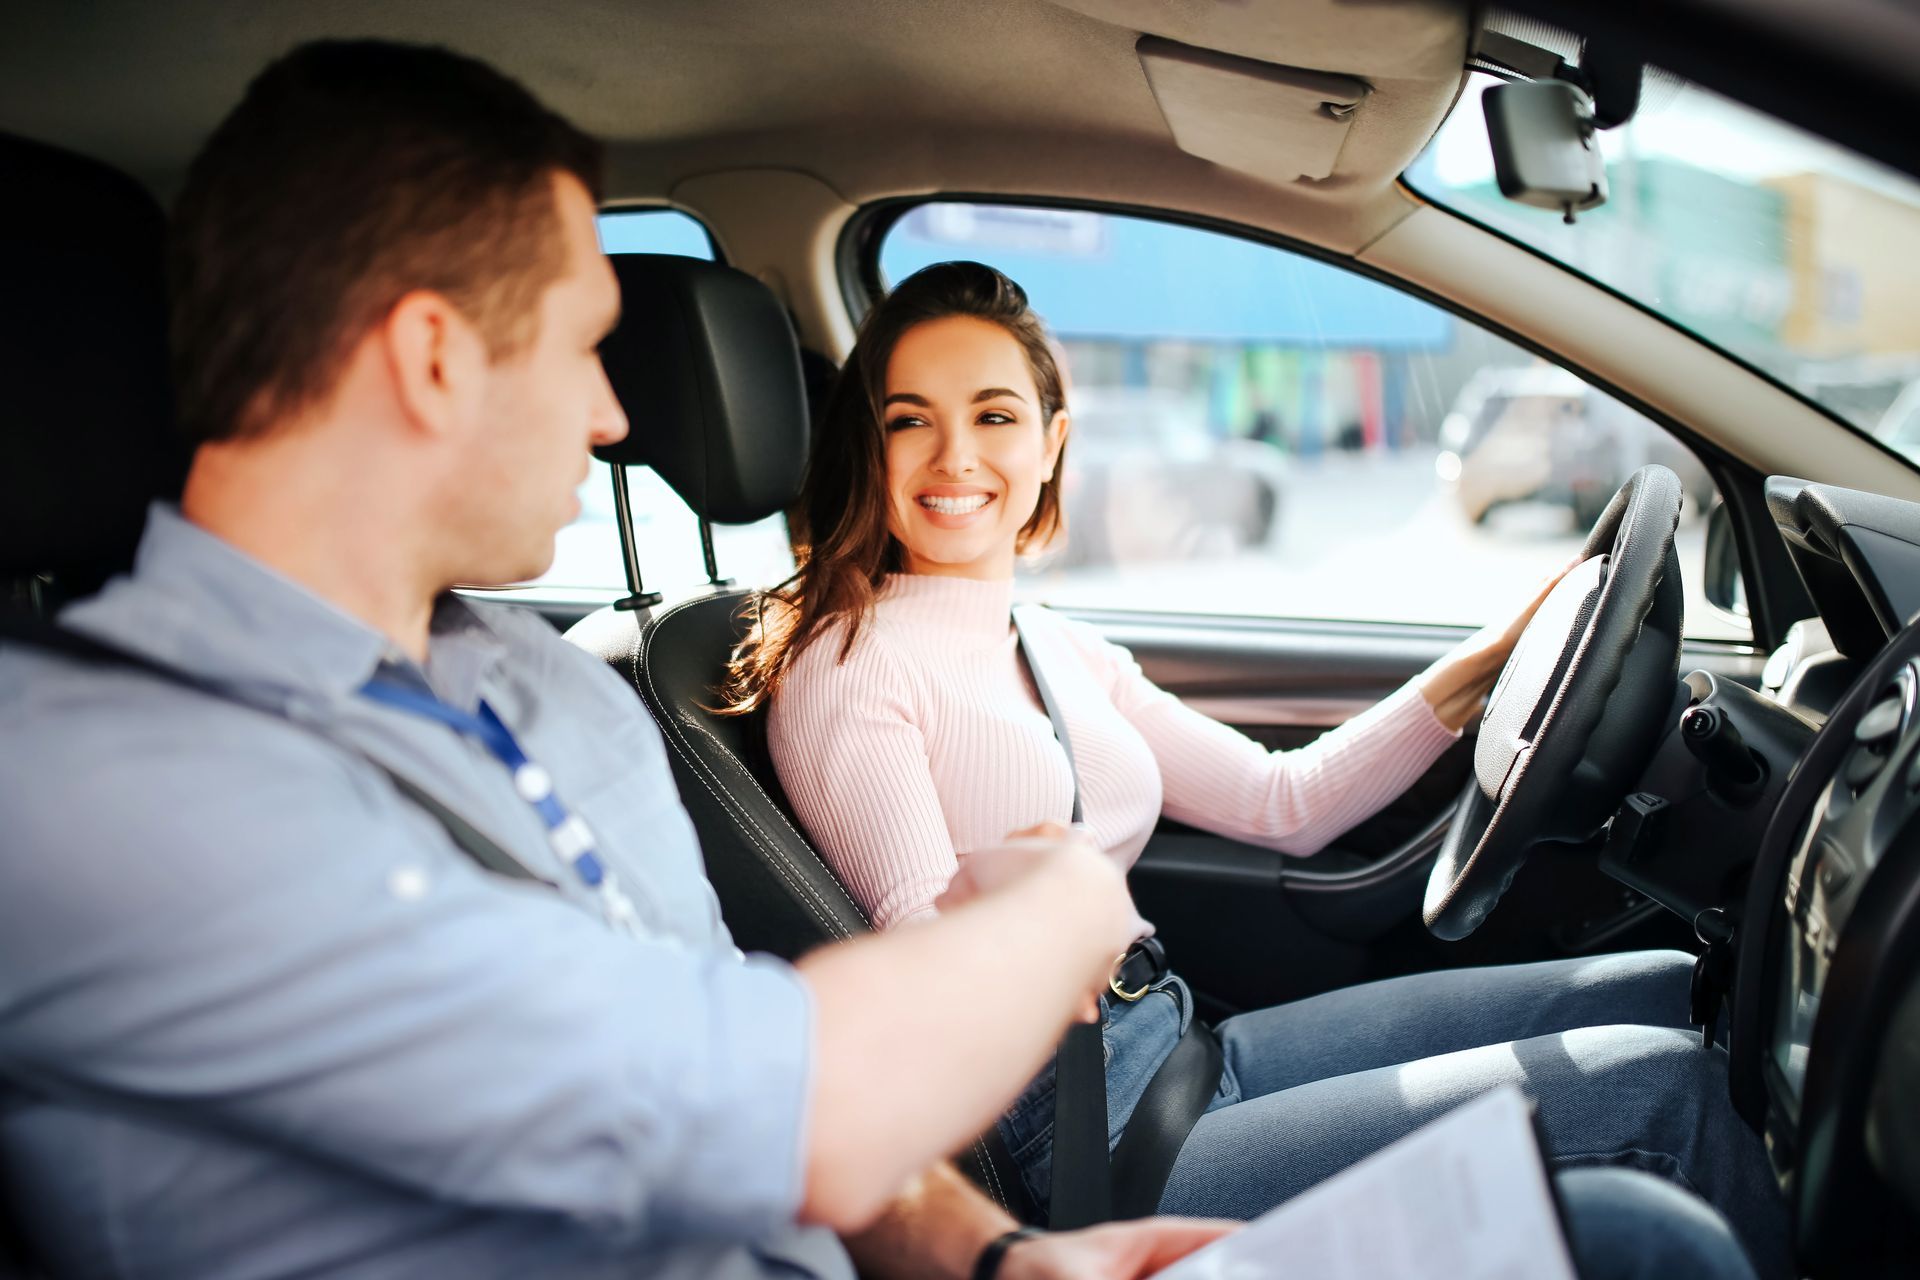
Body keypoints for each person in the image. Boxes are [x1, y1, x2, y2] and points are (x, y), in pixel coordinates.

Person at [0, 39, 1757, 1280]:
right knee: (1643, 1210)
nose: (614, 415)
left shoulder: (542, 697)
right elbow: (788, 1091)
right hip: (1076, 1103)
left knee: (1655, 1065)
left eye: (998, 418)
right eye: (591, 344)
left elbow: (765, 1090)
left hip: (1063, 1125)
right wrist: (1063, 912)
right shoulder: (94, 790)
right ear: (433, 360)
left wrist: (983, 1259)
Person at [740, 261, 1790, 1277]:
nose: (955, 456)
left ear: (1052, 442)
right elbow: (921, 987)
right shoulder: (847, 665)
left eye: (995, 415)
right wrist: (1046, 921)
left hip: (1179, 1045)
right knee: (1672, 1098)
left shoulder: (1049, 641)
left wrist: (1501, 653)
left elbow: (1282, 801)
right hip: (1088, 1145)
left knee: (1669, 990)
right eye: (909, 419)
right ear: (870, 447)